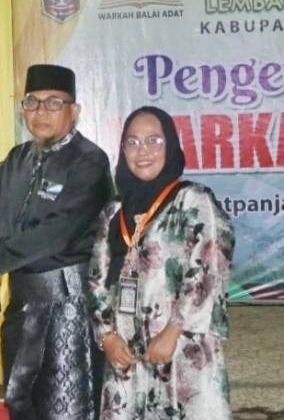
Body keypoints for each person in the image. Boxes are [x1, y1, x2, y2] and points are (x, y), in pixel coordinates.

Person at [0, 64, 113, 419]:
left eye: (53, 102)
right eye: (32, 102)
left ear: (74, 111)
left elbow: (59, 232)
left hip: (68, 307)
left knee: (67, 406)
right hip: (22, 305)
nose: (40, 111)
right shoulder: (17, 159)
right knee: (20, 401)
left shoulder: (89, 162)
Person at [88, 106, 234, 419]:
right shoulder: (113, 211)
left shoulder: (194, 201)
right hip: (125, 353)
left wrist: (173, 331)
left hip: (181, 348)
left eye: (154, 141)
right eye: (132, 142)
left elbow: (210, 269)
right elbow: (96, 279)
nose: (142, 151)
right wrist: (107, 337)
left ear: (170, 145)